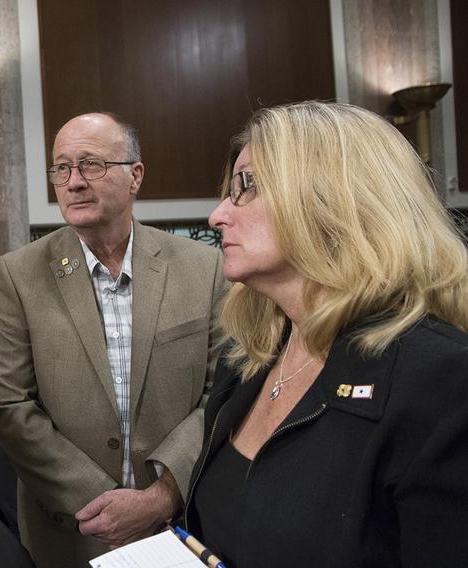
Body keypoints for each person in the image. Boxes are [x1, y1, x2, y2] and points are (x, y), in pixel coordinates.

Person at [183, 101, 468, 567]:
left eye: (246, 186)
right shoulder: (249, 356)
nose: (216, 216)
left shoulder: (446, 381)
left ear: (332, 198)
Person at [0, 112, 229, 567]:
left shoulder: (203, 268)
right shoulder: (20, 273)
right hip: (74, 528)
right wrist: (108, 503)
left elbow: (223, 394)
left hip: (181, 520)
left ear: (135, 175)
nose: (73, 181)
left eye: (91, 164)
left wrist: (159, 497)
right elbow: (7, 402)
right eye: (62, 168)